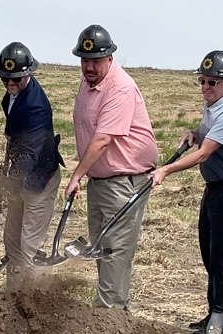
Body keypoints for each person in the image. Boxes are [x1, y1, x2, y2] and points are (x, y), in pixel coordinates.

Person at [151, 50, 223, 334]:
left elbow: (205, 154)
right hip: (215, 189)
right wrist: (193, 133)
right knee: (208, 254)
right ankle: (213, 313)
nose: (206, 88)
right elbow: (205, 137)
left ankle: (221, 321)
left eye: (212, 83)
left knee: (220, 257)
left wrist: (166, 171)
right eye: (202, 81)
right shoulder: (213, 108)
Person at [65, 25, 159, 311]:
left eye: (95, 61)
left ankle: (110, 316)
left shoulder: (120, 87)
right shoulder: (88, 81)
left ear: (110, 58)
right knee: (101, 247)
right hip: (101, 179)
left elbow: (103, 139)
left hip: (124, 181)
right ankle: (114, 311)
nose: (89, 67)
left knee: (115, 249)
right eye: (84, 60)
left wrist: (76, 176)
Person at [0, 42, 64, 290]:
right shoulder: (14, 95)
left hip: (39, 181)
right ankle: (12, 298)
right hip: (20, 179)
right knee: (11, 241)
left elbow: (28, 155)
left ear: (29, 73)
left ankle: (33, 303)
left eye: (16, 81)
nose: (11, 86)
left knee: (29, 247)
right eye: (6, 80)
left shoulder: (35, 106)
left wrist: (5, 186)